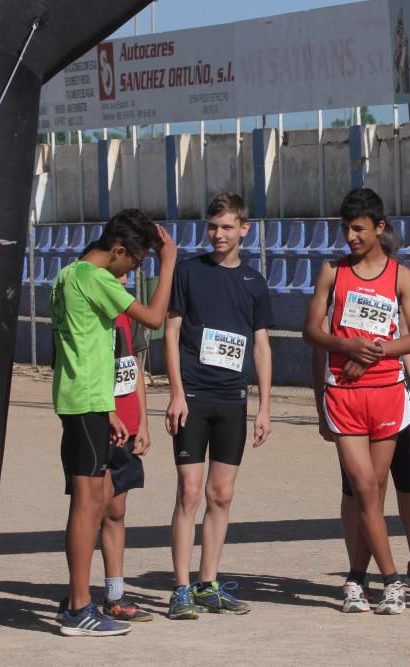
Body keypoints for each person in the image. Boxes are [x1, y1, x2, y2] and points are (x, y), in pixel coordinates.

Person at [311, 227, 410, 609]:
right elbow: (317, 339)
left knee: (393, 484)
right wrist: (322, 395)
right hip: (346, 398)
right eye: (347, 230)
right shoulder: (335, 275)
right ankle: (376, 578)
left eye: (361, 231)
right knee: (361, 490)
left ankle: (393, 569)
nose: (353, 239)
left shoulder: (400, 279)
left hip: (391, 397)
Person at [52, 210, 177, 636]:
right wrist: (169, 263)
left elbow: (80, 345)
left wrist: (108, 407)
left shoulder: (67, 273)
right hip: (86, 401)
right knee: (88, 504)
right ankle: (78, 608)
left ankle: (79, 600)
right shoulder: (98, 278)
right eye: (135, 263)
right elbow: (155, 318)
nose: (133, 271)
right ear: (119, 250)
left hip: (83, 400)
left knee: (96, 499)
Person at [164, 193, 274, 619]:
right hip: (192, 396)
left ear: (244, 229)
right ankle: (180, 588)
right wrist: (175, 392)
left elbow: (261, 345)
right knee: (189, 493)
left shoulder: (254, 282)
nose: (219, 234)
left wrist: (264, 406)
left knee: (221, 495)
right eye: (213, 226)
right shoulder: (188, 273)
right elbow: (171, 334)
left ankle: (209, 583)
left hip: (233, 401)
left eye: (228, 227)